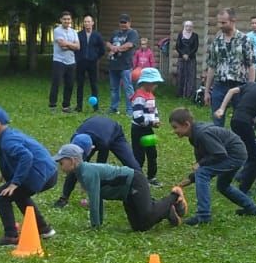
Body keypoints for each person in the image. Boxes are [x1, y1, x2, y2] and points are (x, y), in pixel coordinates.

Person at [52, 143, 184, 231]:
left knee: (147, 215)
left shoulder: (87, 173)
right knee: (140, 227)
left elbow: (95, 200)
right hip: (126, 194)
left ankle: (174, 197)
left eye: (62, 162)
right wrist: (98, 225)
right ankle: (167, 211)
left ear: (73, 160)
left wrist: (95, 227)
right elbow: (97, 197)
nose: (60, 165)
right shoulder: (80, 173)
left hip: (134, 181)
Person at [0, 106, 57, 246]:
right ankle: (44, 229)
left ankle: (10, 236)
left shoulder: (7, 140)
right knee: (17, 195)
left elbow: (26, 156)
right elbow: (16, 157)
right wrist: (4, 172)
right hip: (49, 173)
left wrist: (15, 183)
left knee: (2, 195)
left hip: (39, 174)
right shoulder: (8, 135)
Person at [168, 106, 256, 224]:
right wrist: (190, 179)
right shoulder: (194, 136)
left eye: (175, 127)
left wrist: (200, 164)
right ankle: (251, 208)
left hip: (234, 155)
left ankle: (203, 215)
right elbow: (204, 161)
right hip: (234, 154)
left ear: (186, 124)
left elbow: (219, 154)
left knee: (202, 173)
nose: (174, 131)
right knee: (223, 185)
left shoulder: (202, 134)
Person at [52, 116, 138, 206]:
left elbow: (100, 167)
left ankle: (143, 193)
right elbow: (75, 166)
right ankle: (64, 198)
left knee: (131, 164)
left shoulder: (103, 143)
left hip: (114, 133)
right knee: (75, 167)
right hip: (93, 133)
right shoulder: (75, 140)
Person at [215, 77, 256, 194]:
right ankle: (244, 189)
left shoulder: (251, 85)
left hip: (235, 120)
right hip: (244, 124)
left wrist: (222, 109)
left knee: (255, 153)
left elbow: (231, 91)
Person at [203, 8, 254, 115]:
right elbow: (211, 66)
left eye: (223, 23)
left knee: (239, 119)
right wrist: (207, 91)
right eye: (219, 22)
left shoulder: (244, 40)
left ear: (233, 21)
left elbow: (251, 65)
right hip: (219, 85)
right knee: (217, 119)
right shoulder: (216, 41)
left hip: (239, 85)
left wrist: (250, 89)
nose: (220, 25)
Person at [129, 68, 162, 178]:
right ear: (146, 82)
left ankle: (152, 177)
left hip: (148, 129)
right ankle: (137, 177)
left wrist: (156, 119)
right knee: (139, 156)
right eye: (154, 83)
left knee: (152, 154)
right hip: (138, 130)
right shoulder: (139, 97)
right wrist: (151, 123)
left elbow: (154, 110)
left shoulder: (150, 95)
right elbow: (138, 117)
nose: (156, 86)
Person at [48, 10, 79, 112]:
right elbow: (62, 46)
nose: (67, 21)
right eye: (65, 19)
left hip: (71, 61)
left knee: (69, 84)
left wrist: (68, 44)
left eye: (68, 19)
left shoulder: (74, 32)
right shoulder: (57, 30)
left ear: (71, 20)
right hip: (59, 61)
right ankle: (52, 105)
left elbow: (78, 47)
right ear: (61, 20)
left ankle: (66, 106)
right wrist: (72, 45)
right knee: (56, 83)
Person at [105, 15, 137, 113]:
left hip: (125, 65)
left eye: (125, 22)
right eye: (121, 22)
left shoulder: (132, 33)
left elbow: (129, 45)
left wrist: (116, 49)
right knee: (114, 88)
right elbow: (108, 43)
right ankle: (114, 108)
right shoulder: (115, 32)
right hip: (113, 65)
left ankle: (130, 110)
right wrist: (111, 47)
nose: (123, 24)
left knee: (128, 88)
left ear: (129, 23)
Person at [73, 14, 105, 112]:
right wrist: (78, 57)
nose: (87, 23)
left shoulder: (97, 35)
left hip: (92, 63)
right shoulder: (79, 34)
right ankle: (79, 107)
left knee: (93, 85)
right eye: (85, 22)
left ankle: (95, 107)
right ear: (83, 23)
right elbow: (75, 48)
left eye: (89, 21)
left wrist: (96, 57)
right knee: (80, 85)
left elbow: (102, 49)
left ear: (92, 23)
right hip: (81, 62)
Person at [173, 20, 199, 101]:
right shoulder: (180, 35)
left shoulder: (195, 36)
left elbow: (195, 47)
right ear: (184, 26)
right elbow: (177, 46)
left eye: (190, 26)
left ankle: (190, 95)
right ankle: (180, 94)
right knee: (181, 75)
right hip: (181, 58)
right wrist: (183, 54)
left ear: (192, 27)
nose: (188, 28)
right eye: (187, 26)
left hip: (191, 59)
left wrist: (188, 55)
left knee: (190, 76)